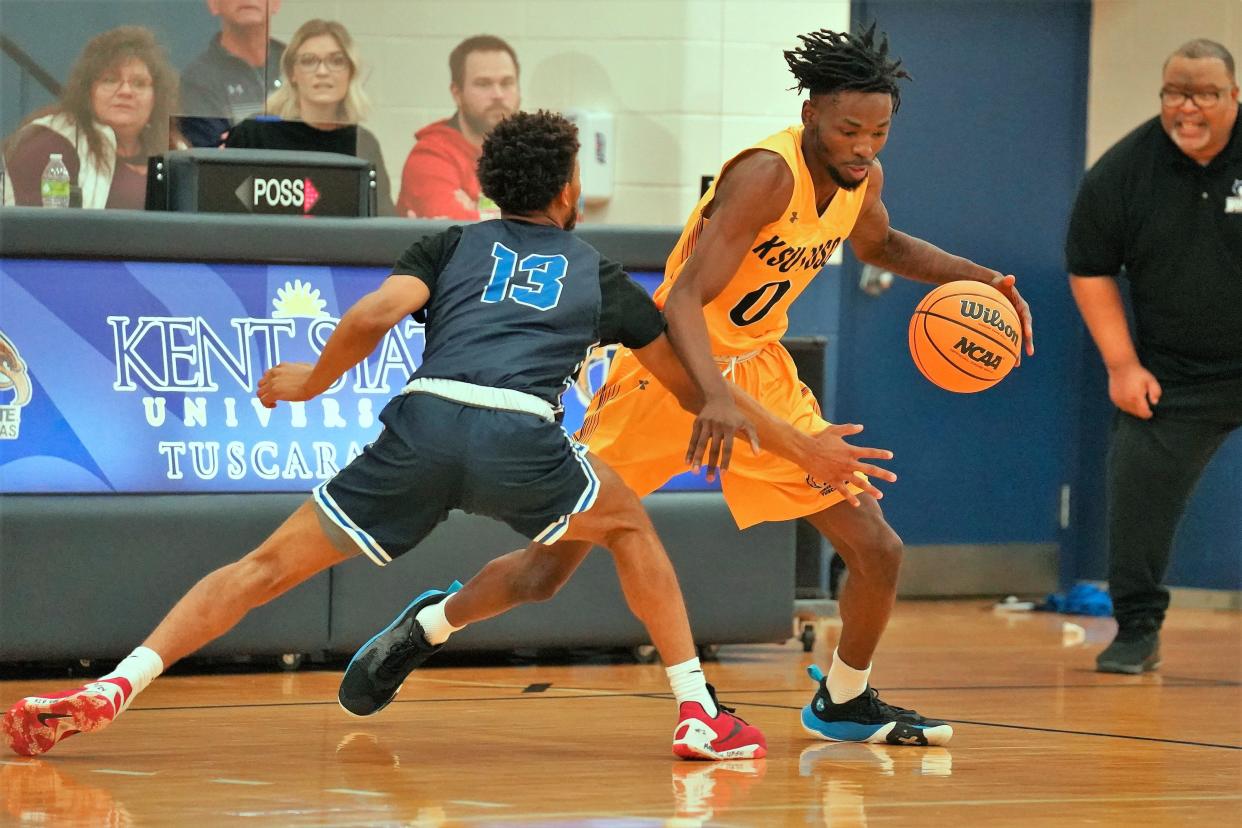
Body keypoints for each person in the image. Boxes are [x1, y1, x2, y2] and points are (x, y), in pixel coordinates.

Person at [2, 110, 891, 762]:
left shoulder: (446, 245)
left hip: (420, 427)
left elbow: (376, 312)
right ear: (569, 189)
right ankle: (697, 711)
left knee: (260, 571)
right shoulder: (598, 274)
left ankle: (114, 687)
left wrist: (312, 381)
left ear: (492, 186)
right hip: (518, 438)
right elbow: (695, 387)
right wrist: (788, 438)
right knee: (626, 525)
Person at [359, 25, 1035, 749]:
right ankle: (429, 625)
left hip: (758, 371)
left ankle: (844, 698)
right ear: (811, 115)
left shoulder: (861, 181)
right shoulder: (765, 176)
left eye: (879, 132)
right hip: (665, 372)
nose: (864, 146)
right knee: (546, 572)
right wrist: (710, 395)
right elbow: (678, 301)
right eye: (849, 130)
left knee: (877, 546)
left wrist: (982, 278)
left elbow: (883, 246)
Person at [1066, 39, 1240, 675]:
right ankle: (1137, 628)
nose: (1187, 109)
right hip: (1175, 375)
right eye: (1175, 93)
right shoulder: (1122, 173)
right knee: (1137, 491)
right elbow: (1090, 269)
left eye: (1204, 94)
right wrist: (1122, 364)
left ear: (1234, 97)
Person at [2, 26, 185, 210]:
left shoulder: (175, 149)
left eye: (139, 83)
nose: (126, 91)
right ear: (88, 90)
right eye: (110, 80)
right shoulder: (51, 142)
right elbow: (34, 231)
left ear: (157, 96)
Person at [224, 19, 394, 215]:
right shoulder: (254, 134)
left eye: (336, 61)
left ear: (351, 72)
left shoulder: (363, 143)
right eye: (308, 61)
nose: (322, 72)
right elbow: (223, 213)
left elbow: (381, 218)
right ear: (292, 73)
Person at [395, 35, 519, 220]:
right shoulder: (429, 156)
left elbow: (559, 228)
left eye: (507, 83)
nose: (498, 94)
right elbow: (455, 235)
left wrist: (477, 215)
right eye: (483, 84)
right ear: (457, 93)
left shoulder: (531, 153)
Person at [178, 0, 285, 148]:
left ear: (276, 3)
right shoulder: (197, 79)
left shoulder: (297, 65)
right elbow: (216, 154)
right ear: (213, 4)